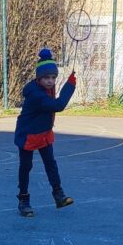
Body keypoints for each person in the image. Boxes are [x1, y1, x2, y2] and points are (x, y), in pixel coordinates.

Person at [13, 48, 76, 217]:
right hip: (28, 134)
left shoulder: (47, 88)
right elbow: (58, 105)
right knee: (26, 167)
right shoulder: (35, 94)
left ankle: (59, 195)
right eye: (47, 77)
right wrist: (70, 85)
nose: (51, 81)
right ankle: (23, 201)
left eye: (54, 77)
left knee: (50, 164)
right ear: (38, 78)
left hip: (44, 132)